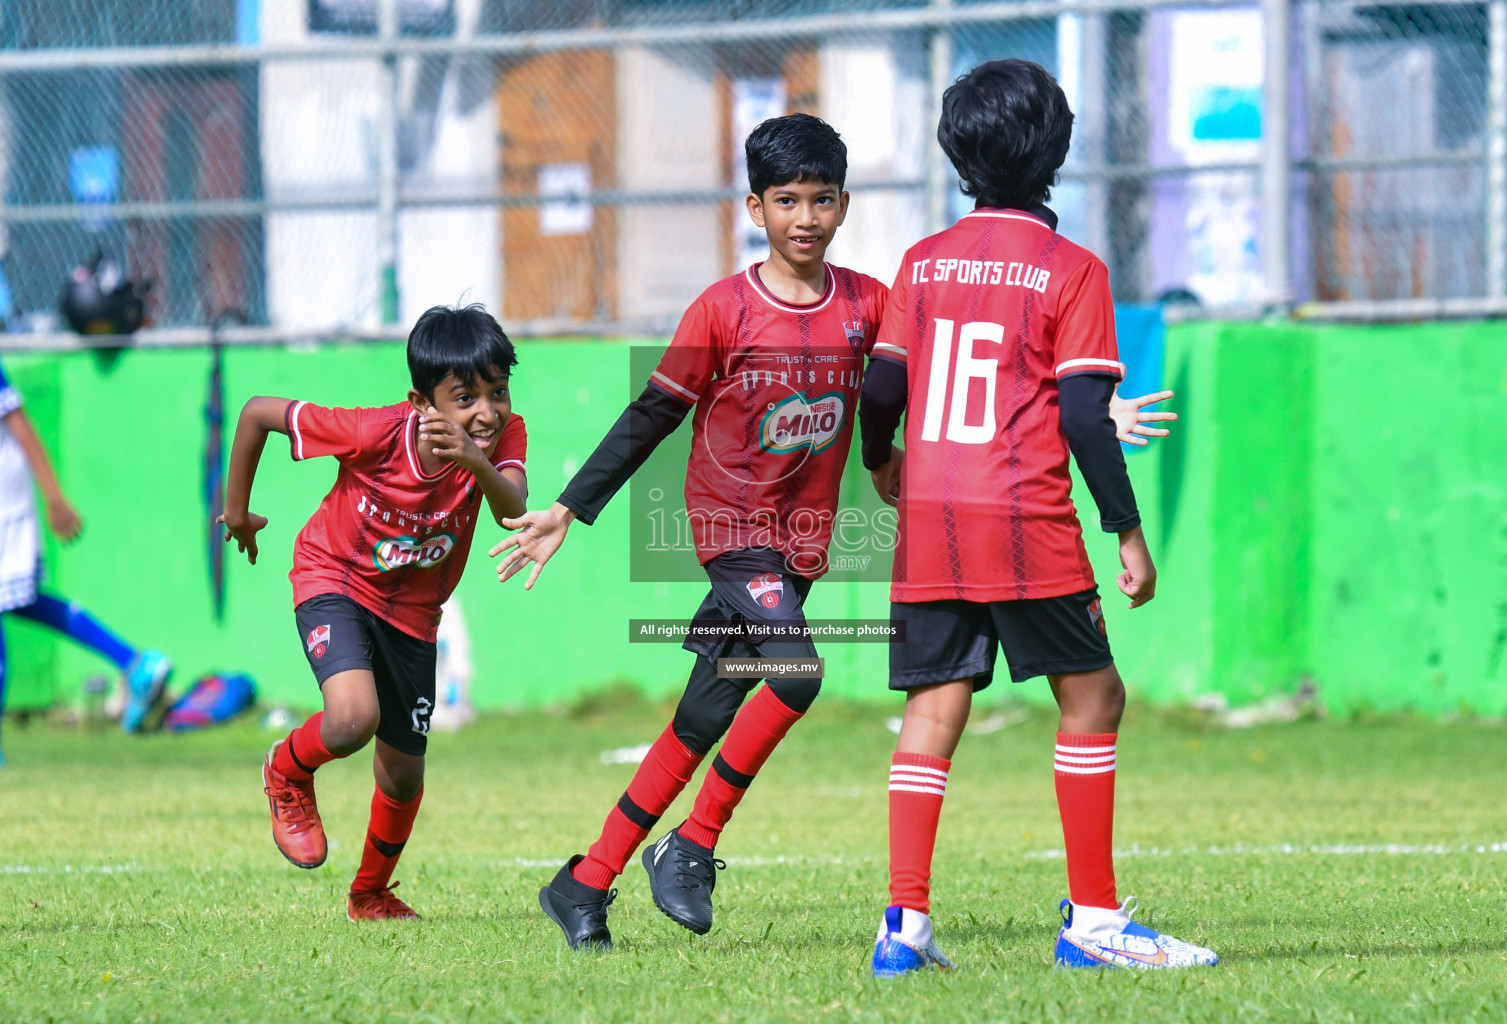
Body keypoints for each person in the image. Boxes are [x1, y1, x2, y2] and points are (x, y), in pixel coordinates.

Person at [493, 113, 1171, 951]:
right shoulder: (722, 310)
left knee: (703, 714)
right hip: (736, 533)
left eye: (820, 200)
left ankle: (584, 881)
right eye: (786, 200)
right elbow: (653, 414)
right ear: (755, 206)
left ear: (844, 204)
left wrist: (1094, 408)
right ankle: (694, 844)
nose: (804, 218)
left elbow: (964, 379)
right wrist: (569, 507)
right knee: (798, 673)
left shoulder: (869, 303)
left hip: (800, 541)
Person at [858, 58, 1213, 974]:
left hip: (932, 513)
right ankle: (1094, 922)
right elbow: (1088, 416)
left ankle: (903, 926)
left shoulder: (923, 262)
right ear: (1058, 147)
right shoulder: (1071, 269)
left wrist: (881, 459)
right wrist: (1127, 530)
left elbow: (884, 383)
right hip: (1023, 517)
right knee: (1094, 697)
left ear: (956, 151)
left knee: (935, 706)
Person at [219, 304, 527, 921]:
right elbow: (257, 412)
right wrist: (236, 512)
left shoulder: (504, 437)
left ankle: (370, 894)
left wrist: (473, 459)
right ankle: (284, 769)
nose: (486, 412)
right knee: (353, 718)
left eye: (496, 392)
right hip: (334, 578)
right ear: (421, 402)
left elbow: (513, 507)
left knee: (404, 775)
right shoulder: (372, 433)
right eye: (464, 397)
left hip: (415, 616)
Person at [0, 355, 171, 753]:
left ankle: (134, 662)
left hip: (4, 499)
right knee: (22, 601)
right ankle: (134, 662)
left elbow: (19, 424)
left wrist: (54, 497)